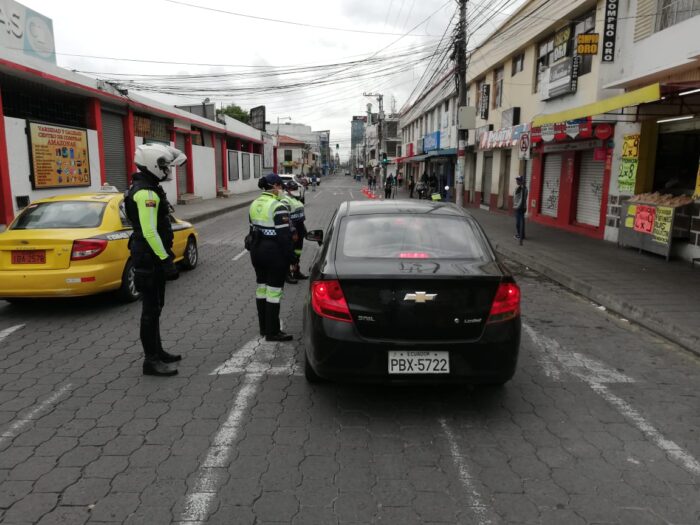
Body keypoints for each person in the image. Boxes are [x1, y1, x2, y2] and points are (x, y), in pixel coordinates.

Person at [124, 144, 186, 377]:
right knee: (150, 310)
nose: (166, 170)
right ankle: (151, 361)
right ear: (151, 164)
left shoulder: (147, 187)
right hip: (148, 258)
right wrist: (166, 260)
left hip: (149, 256)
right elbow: (150, 232)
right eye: (162, 165)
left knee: (156, 307)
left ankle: (158, 351)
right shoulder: (146, 193)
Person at [248, 174, 295, 342]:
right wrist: (292, 259)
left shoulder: (254, 204)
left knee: (261, 289)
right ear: (275, 186)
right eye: (280, 186)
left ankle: (263, 328)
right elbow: (284, 238)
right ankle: (273, 332)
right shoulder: (278, 206)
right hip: (274, 253)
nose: (281, 189)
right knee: (274, 292)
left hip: (256, 251)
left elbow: (251, 230)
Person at [280, 181, 308, 284]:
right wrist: (293, 232)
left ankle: (296, 272)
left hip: (299, 229)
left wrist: (304, 231)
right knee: (289, 253)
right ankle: (287, 274)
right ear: (287, 190)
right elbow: (286, 219)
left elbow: (300, 218)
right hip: (291, 231)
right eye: (293, 190)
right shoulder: (285, 200)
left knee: (297, 252)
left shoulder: (295, 198)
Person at [514, 176, 528, 245]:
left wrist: (517, 206)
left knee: (519, 222)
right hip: (518, 207)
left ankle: (520, 235)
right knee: (519, 222)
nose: (517, 181)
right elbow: (516, 197)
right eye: (516, 180)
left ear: (521, 181)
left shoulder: (524, 189)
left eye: (518, 180)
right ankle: (521, 234)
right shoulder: (518, 188)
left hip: (521, 208)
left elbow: (522, 199)